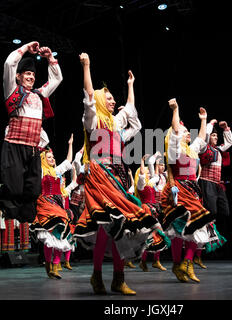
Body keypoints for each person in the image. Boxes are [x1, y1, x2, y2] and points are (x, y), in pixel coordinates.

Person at [73, 53, 160, 295]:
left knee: (123, 228)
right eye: (109, 99)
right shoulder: (93, 120)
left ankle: (118, 279)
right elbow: (89, 97)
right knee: (105, 227)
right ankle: (98, 276)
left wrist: (131, 86)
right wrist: (87, 66)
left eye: (113, 99)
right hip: (101, 176)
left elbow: (132, 114)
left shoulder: (115, 123)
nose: (113, 102)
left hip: (120, 175)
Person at [0, 41, 63, 224]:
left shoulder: (40, 94)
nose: (31, 77)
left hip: (32, 150)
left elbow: (57, 79)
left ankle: (6, 209)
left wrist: (50, 58)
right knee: (14, 190)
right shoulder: (12, 91)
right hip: (14, 146)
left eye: (33, 74)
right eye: (27, 73)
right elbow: (9, 63)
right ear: (18, 76)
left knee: (33, 192)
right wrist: (25, 48)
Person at [161, 99, 225, 283]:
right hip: (179, 191)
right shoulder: (174, 150)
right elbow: (174, 131)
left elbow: (202, 137)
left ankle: (187, 263)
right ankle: (177, 264)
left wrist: (204, 120)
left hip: (193, 192)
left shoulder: (192, 150)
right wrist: (176, 110)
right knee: (179, 230)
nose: (189, 133)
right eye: (185, 131)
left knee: (197, 227)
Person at [29, 135, 75, 279]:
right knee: (49, 236)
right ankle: (48, 265)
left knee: (62, 234)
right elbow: (33, 162)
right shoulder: (40, 172)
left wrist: (70, 144)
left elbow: (68, 162)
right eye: (49, 157)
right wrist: (36, 149)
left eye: (52, 157)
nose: (52, 159)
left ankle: (55, 265)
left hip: (57, 205)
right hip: (45, 204)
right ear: (43, 159)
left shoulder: (56, 172)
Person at [197, 118, 232, 267]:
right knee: (210, 211)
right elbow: (204, 136)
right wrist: (210, 124)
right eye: (213, 135)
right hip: (206, 183)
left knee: (225, 211)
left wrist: (226, 129)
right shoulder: (205, 148)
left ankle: (210, 226)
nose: (215, 137)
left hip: (217, 185)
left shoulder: (219, 150)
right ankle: (206, 232)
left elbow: (230, 142)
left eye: (216, 136)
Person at [135, 152, 170, 272]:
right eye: (146, 172)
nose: (148, 173)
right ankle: (143, 261)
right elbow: (141, 174)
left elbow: (153, 169)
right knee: (149, 236)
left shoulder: (152, 181)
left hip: (155, 210)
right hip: (146, 210)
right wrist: (142, 161)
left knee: (158, 235)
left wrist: (157, 156)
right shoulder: (141, 185)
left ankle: (155, 261)